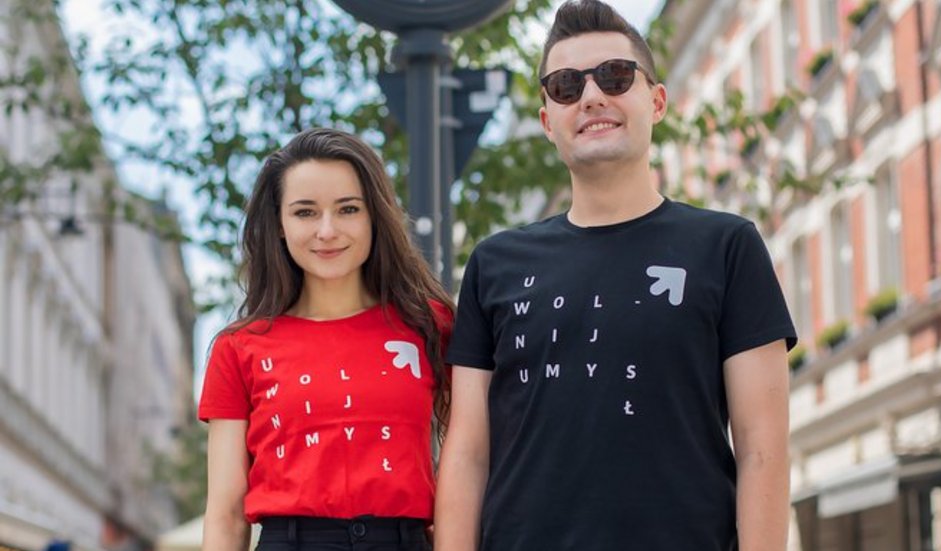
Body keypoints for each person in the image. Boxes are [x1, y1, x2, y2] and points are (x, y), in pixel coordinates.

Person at [434, 1, 797, 550]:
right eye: (565, 85)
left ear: (656, 102)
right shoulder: (493, 264)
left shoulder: (728, 247)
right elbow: (466, 455)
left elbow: (761, 447)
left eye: (615, 75)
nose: (592, 96)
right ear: (546, 121)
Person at [199, 128, 453, 551]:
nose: (328, 230)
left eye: (348, 209)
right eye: (305, 213)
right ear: (278, 225)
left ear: (375, 215)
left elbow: (471, 458)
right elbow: (225, 514)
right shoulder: (239, 348)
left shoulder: (430, 325)